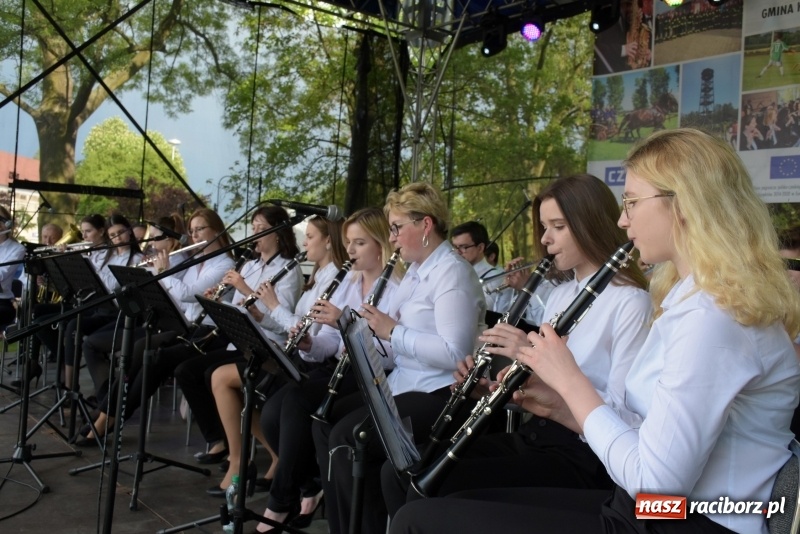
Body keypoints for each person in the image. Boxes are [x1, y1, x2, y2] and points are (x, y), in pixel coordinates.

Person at [390, 128, 800, 534]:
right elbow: (649, 436)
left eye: (633, 202)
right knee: (441, 502)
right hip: (661, 511)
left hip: (689, 520)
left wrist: (570, 382)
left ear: (685, 204)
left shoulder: (712, 319)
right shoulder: (694, 304)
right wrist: (557, 405)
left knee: (421, 521)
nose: (622, 219)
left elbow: (656, 487)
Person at [381, 173, 650, 518]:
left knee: (438, 491)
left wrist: (530, 352)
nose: (545, 239)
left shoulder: (630, 302)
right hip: (538, 436)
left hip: (584, 456)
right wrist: (501, 391)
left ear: (589, 224)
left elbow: (622, 417)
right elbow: (543, 396)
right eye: (543, 227)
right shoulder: (561, 293)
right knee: (398, 473)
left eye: (558, 227)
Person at [312, 182, 486, 534]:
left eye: (396, 227)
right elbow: (398, 347)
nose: (392, 238)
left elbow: (455, 354)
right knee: (324, 421)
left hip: (438, 394)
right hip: (404, 384)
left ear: (425, 225)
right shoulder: (418, 273)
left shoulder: (452, 273)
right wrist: (360, 339)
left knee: (349, 438)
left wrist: (392, 331)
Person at [255, 207, 401, 531]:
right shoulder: (349, 281)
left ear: (381, 245)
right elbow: (331, 343)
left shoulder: (398, 286)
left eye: (359, 243)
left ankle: (281, 503)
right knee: (271, 413)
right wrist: (309, 344)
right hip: (339, 365)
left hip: (374, 374)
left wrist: (345, 321)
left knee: (298, 402)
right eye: (348, 242)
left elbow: (392, 354)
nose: (348, 250)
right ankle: (313, 483)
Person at [204, 214, 346, 498]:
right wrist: (260, 314)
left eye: (310, 237)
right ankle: (288, 472)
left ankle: (289, 477)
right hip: (295, 354)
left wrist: (270, 304)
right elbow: (295, 325)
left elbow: (306, 332)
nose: (305, 243)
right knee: (220, 378)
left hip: (305, 360)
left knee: (242, 387)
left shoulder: (334, 277)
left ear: (329, 241)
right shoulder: (319, 274)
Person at [74, 208, 233, 445]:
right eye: (192, 231)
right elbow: (177, 297)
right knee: (141, 348)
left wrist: (163, 272)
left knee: (152, 356)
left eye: (200, 229)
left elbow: (188, 294)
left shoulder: (224, 264)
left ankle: (107, 417)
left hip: (208, 331)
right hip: (184, 325)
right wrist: (150, 276)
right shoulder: (195, 263)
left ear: (217, 230)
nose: (195, 236)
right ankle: (108, 416)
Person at [451, 221, 512, 314]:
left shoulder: (495, 277)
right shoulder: (454, 273)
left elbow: (482, 311)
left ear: (480, 248)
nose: (457, 252)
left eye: (463, 247)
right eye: (454, 247)